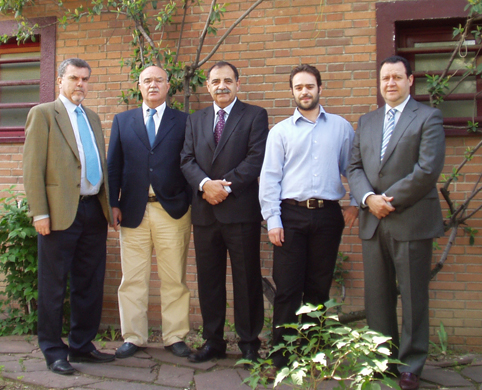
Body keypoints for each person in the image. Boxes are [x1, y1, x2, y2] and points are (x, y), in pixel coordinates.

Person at [347, 55, 445, 390]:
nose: (390, 83)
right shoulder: (368, 120)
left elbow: (427, 170)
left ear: (410, 80)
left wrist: (387, 200)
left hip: (412, 221)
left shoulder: (428, 117)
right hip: (373, 221)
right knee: (377, 296)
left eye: (397, 77)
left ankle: (411, 364)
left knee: (414, 297)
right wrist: (367, 199)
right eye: (385, 78)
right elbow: (355, 167)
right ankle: (381, 360)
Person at [259, 64, 358, 369]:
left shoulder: (341, 127)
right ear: (292, 92)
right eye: (298, 87)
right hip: (290, 216)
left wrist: (354, 202)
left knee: (318, 287)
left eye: (309, 86)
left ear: (319, 88)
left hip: (328, 216)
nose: (304, 91)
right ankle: (281, 357)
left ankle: (312, 352)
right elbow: (270, 178)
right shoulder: (280, 132)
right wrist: (273, 220)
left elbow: (352, 168)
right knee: (287, 288)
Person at [23, 58, 114, 375]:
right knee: (53, 285)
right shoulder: (44, 114)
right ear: (60, 80)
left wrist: (107, 205)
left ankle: (82, 345)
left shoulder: (91, 116)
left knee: (89, 283)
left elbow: (99, 163)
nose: (81, 84)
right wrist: (40, 212)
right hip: (59, 213)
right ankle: (52, 350)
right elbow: (32, 168)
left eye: (85, 79)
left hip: (92, 210)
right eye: (74, 78)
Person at [180, 61, 269, 363]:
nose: (222, 86)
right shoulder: (196, 119)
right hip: (205, 212)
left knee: (247, 280)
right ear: (207, 86)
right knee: (209, 280)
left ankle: (248, 342)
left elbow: (257, 158)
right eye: (216, 81)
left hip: (240, 211)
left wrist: (225, 187)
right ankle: (213, 341)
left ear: (238, 84)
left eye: (228, 80)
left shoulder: (255, 115)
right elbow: (187, 159)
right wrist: (206, 185)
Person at [107, 65, 192, 359]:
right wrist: (113, 203)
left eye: (158, 80)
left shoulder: (183, 121)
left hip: (172, 210)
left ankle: (175, 336)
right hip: (132, 210)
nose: (153, 85)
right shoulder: (122, 120)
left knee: (174, 278)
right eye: (147, 81)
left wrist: (189, 200)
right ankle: (133, 337)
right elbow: (113, 165)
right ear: (139, 86)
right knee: (132, 279)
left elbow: (191, 163)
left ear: (168, 86)